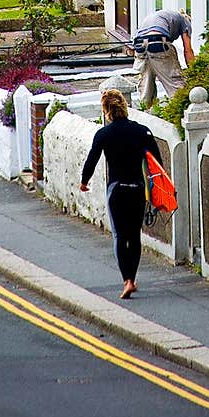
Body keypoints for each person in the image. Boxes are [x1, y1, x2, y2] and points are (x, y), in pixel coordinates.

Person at [80, 87, 161, 300]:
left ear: (106, 110)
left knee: (119, 235)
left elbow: (92, 159)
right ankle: (132, 279)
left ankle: (126, 280)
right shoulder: (142, 131)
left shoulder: (103, 134)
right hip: (137, 189)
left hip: (116, 189)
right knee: (134, 235)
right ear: (125, 107)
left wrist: (84, 181)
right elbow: (157, 163)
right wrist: (159, 191)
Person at [130, 9, 194, 110]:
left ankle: (145, 111)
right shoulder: (185, 21)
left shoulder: (160, 16)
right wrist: (194, 70)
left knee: (146, 85)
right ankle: (180, 110)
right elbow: (187, 50)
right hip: (158, 41)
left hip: (139, 45)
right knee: (175, 83)